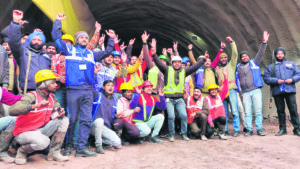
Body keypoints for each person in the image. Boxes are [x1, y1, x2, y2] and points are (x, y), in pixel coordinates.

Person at [52, 13, 116, 157]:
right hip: (73, 90)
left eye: (86, 38)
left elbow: (108, 52)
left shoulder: (91, 54)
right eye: (82, 37)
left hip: (88, 90)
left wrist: (111, 38)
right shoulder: (69, 50)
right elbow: (56, 37)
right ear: (76, 40)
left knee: (86, 120)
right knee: (72, 119)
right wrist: (57, 22)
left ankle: (81, 148)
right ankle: (68, 146)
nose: (84, 39)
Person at [9, 69, 69, 165]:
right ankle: (22, 152)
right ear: (44, 84)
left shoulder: (52, 97)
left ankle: (54, 153)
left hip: (40, 130)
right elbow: (12, 110)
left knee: (64, 120)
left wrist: (60, 111)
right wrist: (34, 106)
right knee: (44, 141)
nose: (56, 85)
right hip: (23, 133)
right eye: (53, 83)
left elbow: (57, 107)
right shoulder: (31, 96)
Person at [153, 39, 207, 142]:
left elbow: (194, 67)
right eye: (175, 62)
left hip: (179, 99)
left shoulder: (184, 71)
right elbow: (158, 62)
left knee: (183, 115)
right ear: (172, 63)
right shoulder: (167, 70)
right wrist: (154, 52)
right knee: (171, 117)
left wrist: (203, 60)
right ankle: (171, 134)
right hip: (169, 98)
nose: (177, 64)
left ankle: (184, 133)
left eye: (179, 62)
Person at [8, 10, 51, 93]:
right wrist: (16, 23)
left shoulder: (46, 56)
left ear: (43, 42)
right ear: (30, 40)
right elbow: (13, 41)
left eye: (39, 40)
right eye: (34, 39)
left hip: (45, 89)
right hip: (28, 89)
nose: (36, 41)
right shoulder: (23, 52)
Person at [236, 31, 269, 136]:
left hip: (255, 90)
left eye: (246, 56)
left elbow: (260, 54)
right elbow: (236, 79)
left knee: (258, 111)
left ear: (249, 57)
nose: (244, 57)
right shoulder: (238, 67)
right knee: (247, 113)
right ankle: (249, 129)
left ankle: (259, 129)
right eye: (242, 56)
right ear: (241, 58)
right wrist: (239, 90)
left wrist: (264, 43)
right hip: (245, 92)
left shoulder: (254, 62)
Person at [263, 47, 300, 136]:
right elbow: (266, 78)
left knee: (293, 110)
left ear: (284, 54)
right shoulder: (271, 67)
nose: (280, 55)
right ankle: (283, 129)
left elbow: (298, 74)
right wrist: (276, 81)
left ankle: (297, 129)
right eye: (278, 54)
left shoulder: (291, 64)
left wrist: (292, 79)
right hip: (277, 91)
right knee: (280, 111)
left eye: (281, 53)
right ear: (275, 55)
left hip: (290, 90)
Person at [215, 36, 240, 137]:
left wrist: (232, 43)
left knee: (234, 110)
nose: (223, 59)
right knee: (223, 112)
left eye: (225, 57)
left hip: (232, 90)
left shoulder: (231, 65)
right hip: (222, 92)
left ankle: (236, 129)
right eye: (222, 58)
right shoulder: (217, 69)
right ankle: (224, 130)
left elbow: (235, 54)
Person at [90, 80, 122, 154]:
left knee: (117, 143)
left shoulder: (114, 99)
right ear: (103, 87)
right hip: (93, 125)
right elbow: (91, 87)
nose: (110, 87)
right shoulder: (98, 95)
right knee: (100, 120)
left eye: (112, 85)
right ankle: (98, 145)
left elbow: (111, 114)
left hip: (105, 127)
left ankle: (94, 140)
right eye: (108, 85)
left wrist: (115, 116)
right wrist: (94, 74)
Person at [205, 68, 229, 140]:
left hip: (219, 118)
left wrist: (225, 77)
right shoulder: (206, 99)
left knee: (223, 119)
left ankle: (221, 133)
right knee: (209, 134)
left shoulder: (220, 96)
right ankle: (213, 131)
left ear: (217, 90)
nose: (213, 91)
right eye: (212, 90)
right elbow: (207, 112)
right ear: (209, 91)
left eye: (215, 90)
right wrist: (210, 122)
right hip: (211, 119)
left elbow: (225, 88)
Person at [0, 87, 22, 163]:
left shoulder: (0, 91)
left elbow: (14, 99)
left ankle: (1, 152)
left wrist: (33, 97)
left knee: (13, 120)